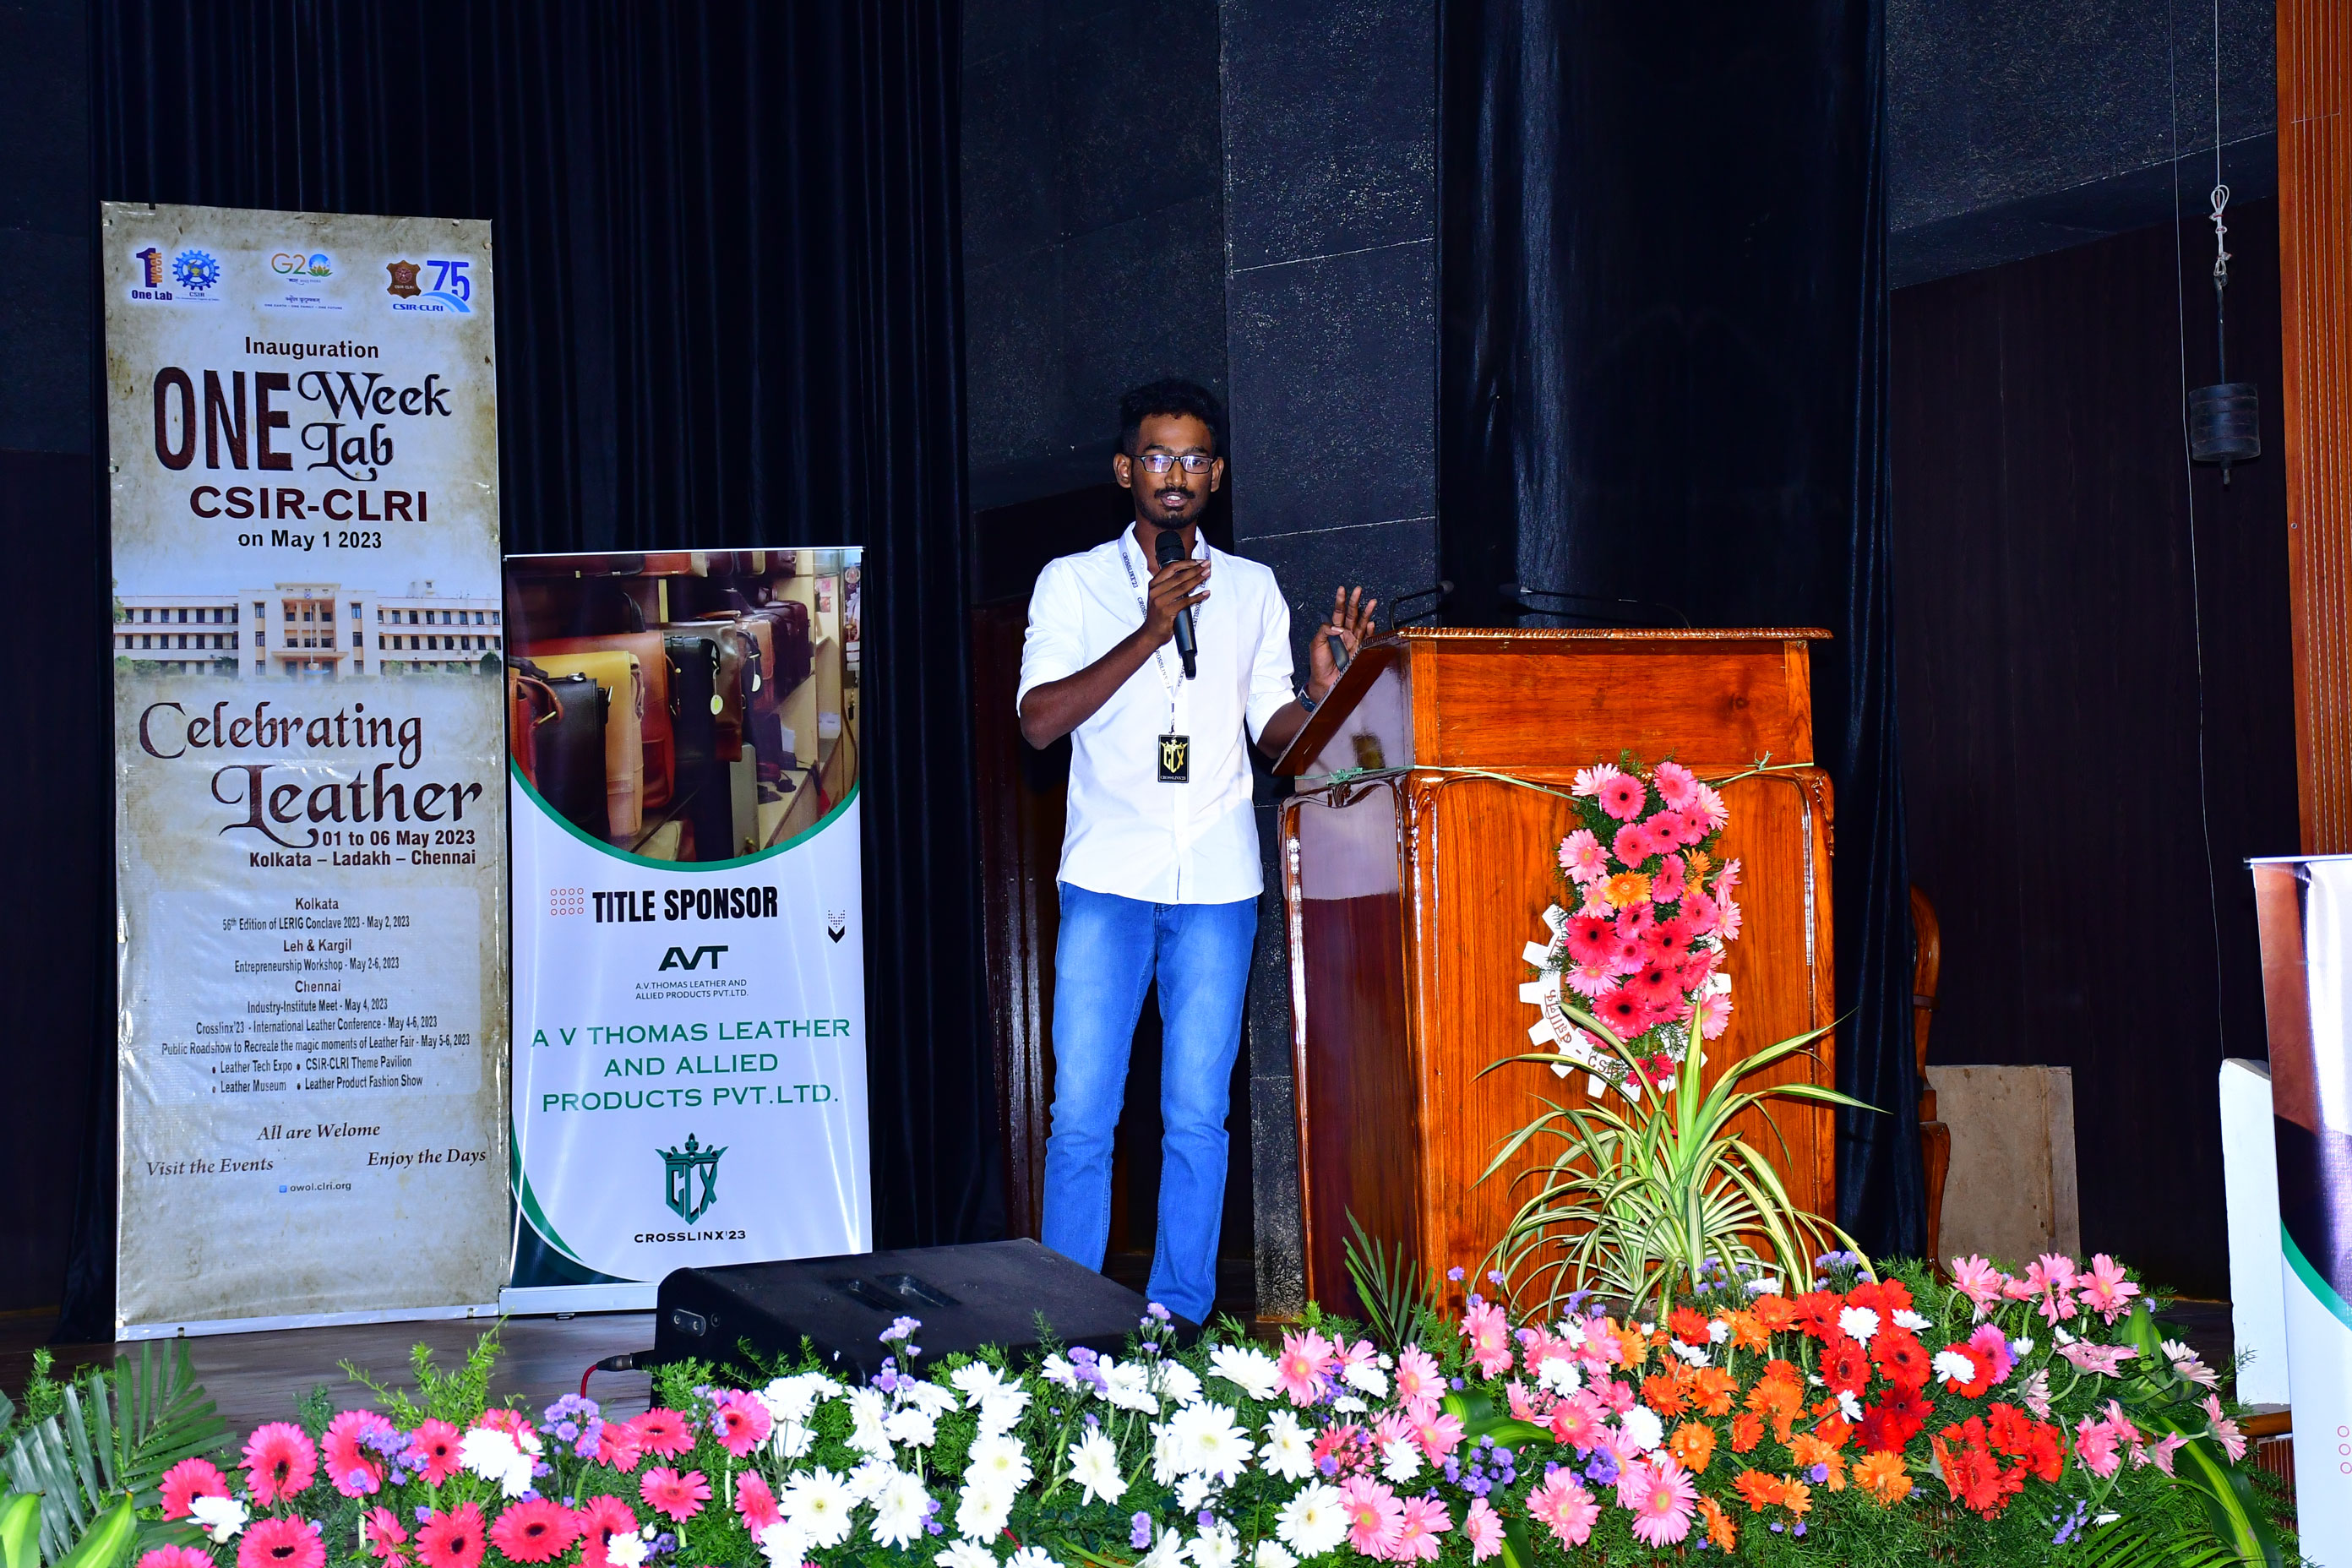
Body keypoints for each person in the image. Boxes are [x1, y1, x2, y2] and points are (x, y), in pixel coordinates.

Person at [1015, 377, 1375, 1323]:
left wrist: (1329, 697)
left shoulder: (1252, 589)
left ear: (1216, 474)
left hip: (1216, 882)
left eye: (1194, 459)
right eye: (1157, 457)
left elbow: (1277, 734)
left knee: (1196, 1117)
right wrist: (1149, 629)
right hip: (1108, 878)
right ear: (1125, 469)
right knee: (1081, 1117)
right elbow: (1040, 721)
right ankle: (1066, 1327)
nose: (1174, 475)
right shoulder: (1071, 582)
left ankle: (1176, 1322)